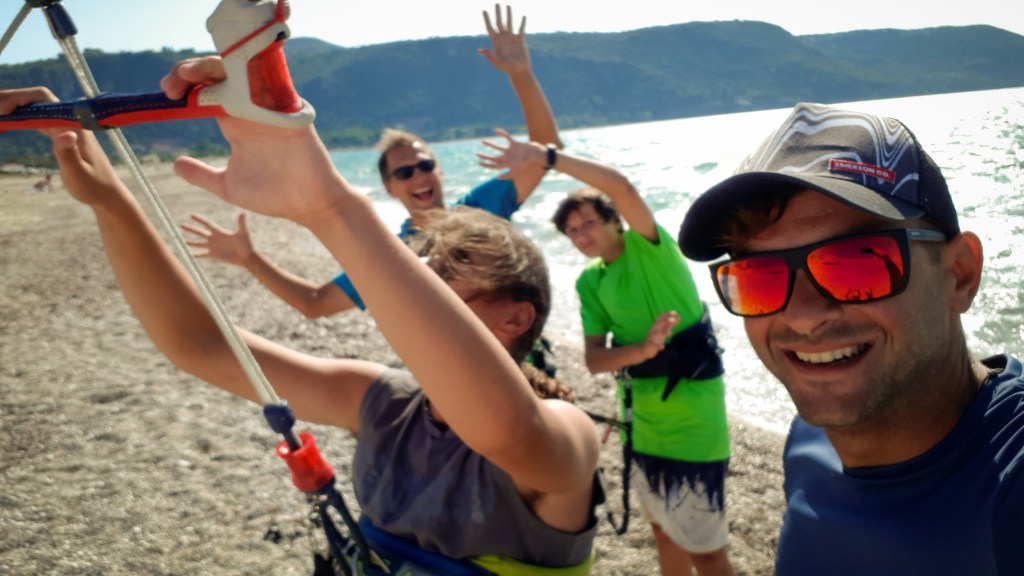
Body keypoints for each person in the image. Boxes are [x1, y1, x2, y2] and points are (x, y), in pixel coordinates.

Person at [0, 58, 600, 573]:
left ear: (516, 319)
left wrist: (330, 207)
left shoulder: (568, 433)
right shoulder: (383, 402)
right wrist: (108, 197)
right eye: (418, 269)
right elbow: (200, 343)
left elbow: (506, 432)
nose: (416, 285)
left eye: (443, 277)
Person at [677, 102, 1023, 575]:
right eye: (758, 275)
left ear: (960, 274)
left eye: (858, 262)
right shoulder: (810, 439)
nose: (802, 317)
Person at [179, 4, 563, 320]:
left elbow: (546, 153)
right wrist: (250, 259)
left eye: (425, 165)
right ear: (389, 187)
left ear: (439, 170)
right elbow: (316, 303)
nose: (419, 176)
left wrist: (521, 75)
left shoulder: (480, 211)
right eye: (404, 172)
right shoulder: (390, 254)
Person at [479, 131, 735, 576]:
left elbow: (623, 188)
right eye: (572, 231)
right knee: (662, 533)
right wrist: (645, 348)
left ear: (614, 220)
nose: (581, 235)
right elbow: (596, 360)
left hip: (695, 421)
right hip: (641, 423)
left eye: (589, 223)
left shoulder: (651, 249)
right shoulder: (589, 281)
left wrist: (547, 157)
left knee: (708, 551)